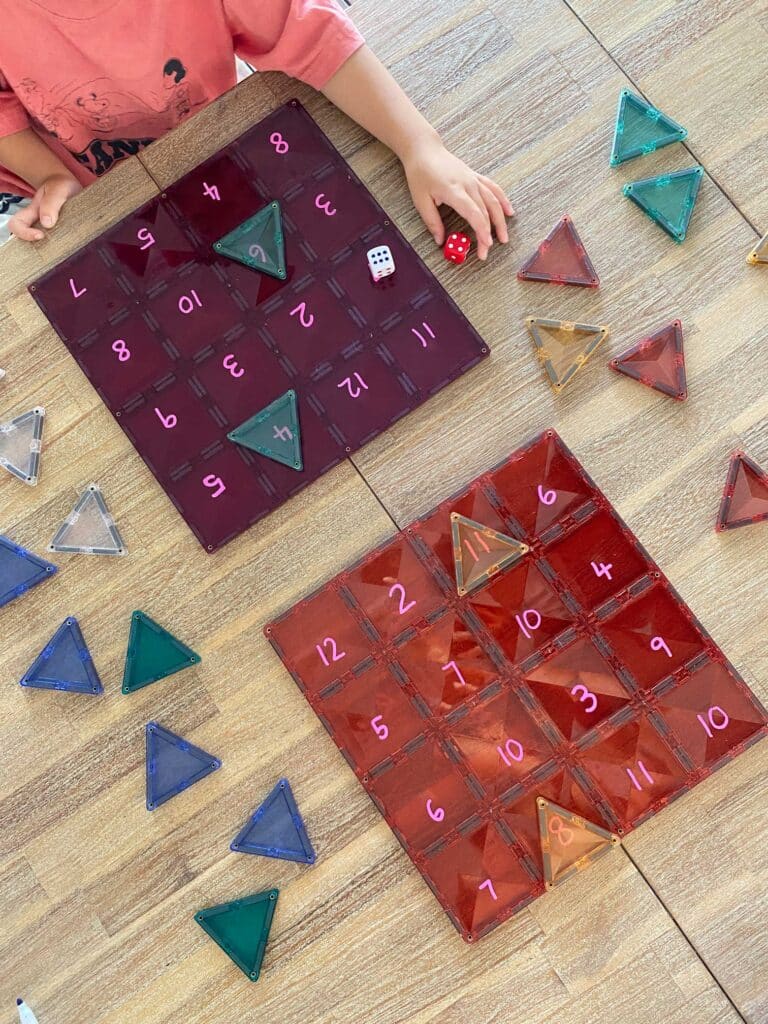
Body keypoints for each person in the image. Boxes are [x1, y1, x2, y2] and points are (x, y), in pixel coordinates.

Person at [0, 0, 512, 254]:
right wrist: (51, 177)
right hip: (86, 201)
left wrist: (419, 145)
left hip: (217, 156)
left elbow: (306, 29)